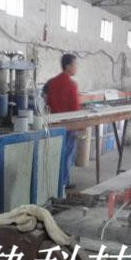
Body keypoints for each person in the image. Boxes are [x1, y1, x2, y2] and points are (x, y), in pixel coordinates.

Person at [46, 53, 81, 192]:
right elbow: (75, 109)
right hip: (69, 126)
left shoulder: (52, 82)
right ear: (67, 66)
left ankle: (54, 181)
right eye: (75, 64)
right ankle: (63, 182)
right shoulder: (72, 85)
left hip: (53, 125)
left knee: (55, 153)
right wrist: (79, 126)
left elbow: (47, 103)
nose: (76, 67)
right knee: (67, 154)